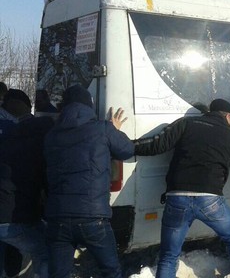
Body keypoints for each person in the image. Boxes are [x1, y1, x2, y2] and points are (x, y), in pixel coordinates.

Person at [134, 98, 230, 278]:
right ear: (228, 116)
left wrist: (128, 145)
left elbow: (156, 144)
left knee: (169, 255)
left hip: (177, 197)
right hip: (210, 200)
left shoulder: (187, 124)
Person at [44, 85, 134, 278]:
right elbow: (127, 150)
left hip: (58, 217)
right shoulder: (102, 129)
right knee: (111, 271)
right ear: (89, 105)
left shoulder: (51, 135)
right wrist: (114, 129)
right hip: (92, 217)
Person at [0, 89, 54, 278]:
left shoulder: (9, 136)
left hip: (10, 215)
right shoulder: (28, 141)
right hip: (11, 217)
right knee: (45, 250)